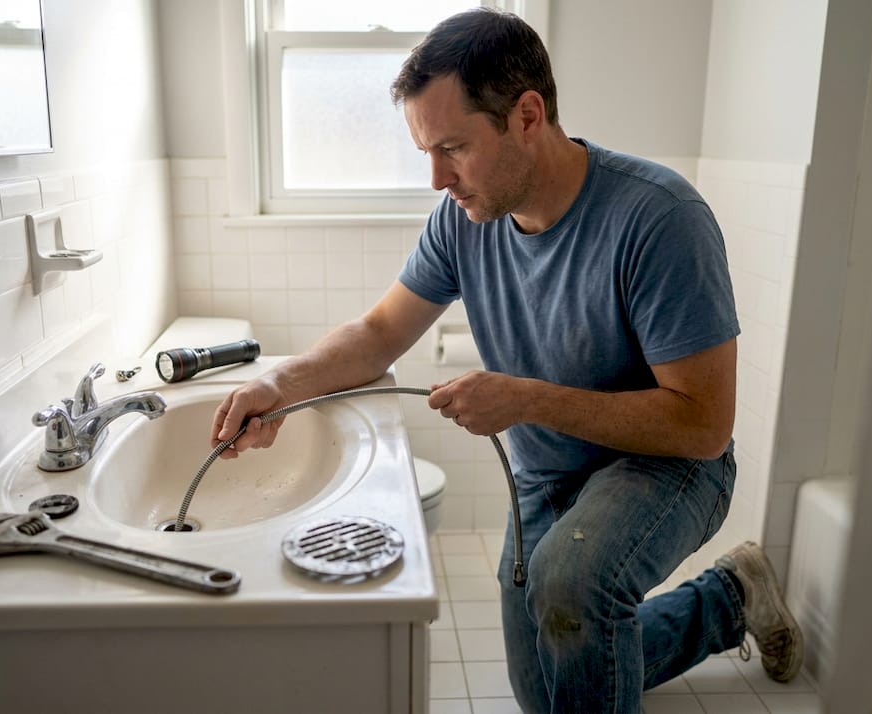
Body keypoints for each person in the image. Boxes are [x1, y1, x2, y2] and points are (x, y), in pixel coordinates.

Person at [212, 8, 803, 713]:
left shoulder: (660, 218)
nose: (436, 179)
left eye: (453, 148)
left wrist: (526, 400)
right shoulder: (462, 221)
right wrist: (279, 382)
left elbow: (703, 426)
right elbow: (377, 334)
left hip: (669, 466)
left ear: (527, 116)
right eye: (426, 151)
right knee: (550, 687)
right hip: (551, 474)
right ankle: (731, 600)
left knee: (570, 583)